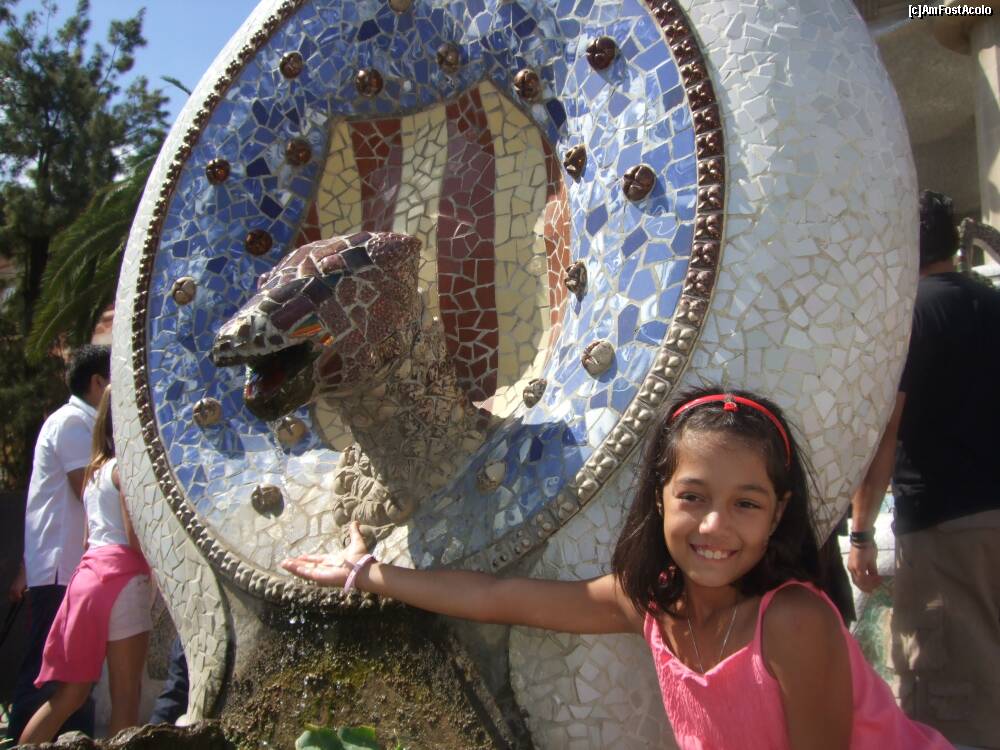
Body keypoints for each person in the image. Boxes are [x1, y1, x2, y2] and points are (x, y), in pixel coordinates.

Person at [284, 386, 951, 749]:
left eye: (745, 504)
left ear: (777, 515)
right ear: (659, 498)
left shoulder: (793, 622)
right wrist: (368, 573)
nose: (714, 527)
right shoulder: (650, 605)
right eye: (693, 497)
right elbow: (499, 596)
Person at [849, 190, 1000, 748]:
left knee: (950, 694)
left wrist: (860, 532)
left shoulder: (908, 318)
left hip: (944, 527)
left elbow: (884, 433)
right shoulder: (991, 301)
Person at [19, 386, 152, 745]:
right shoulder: (124, 471)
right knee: (126, 696)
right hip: (123, 581)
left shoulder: (93, 473)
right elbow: (134, 538)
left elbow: (86, 541)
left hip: (86, 581)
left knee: (68, 696)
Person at [7, 345, 110, 741]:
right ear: (97, 382)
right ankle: (23, 737)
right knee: (49, 672)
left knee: (72, 672)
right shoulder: (72, 424)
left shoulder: (81, 424)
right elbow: (89, 488)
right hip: (61, 568)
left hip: (71, 568)